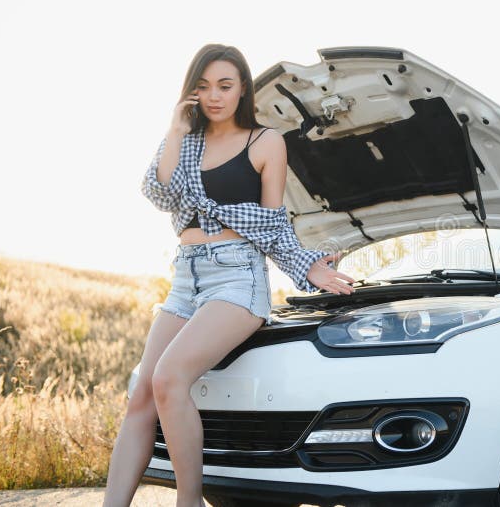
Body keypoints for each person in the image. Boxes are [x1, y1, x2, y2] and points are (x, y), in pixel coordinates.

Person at [103, 44, 356, 507]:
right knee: (141, 392)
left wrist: (308, 266)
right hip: (186, 278)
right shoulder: (185, 140)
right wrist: (177, 130)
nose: (214, 96)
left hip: (238, 279)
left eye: (225, 85)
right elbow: (160, 193)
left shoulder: (265, 142)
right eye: (203, 87)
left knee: (168, 378)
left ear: (243, 89)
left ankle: (189, 502)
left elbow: (273, 225)